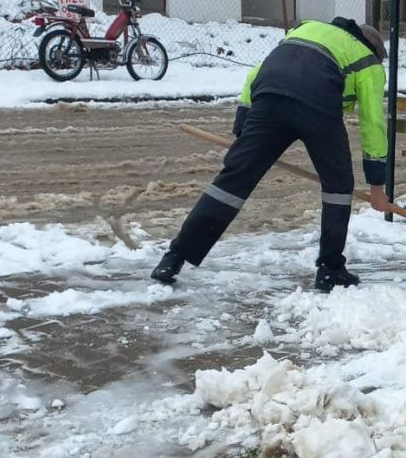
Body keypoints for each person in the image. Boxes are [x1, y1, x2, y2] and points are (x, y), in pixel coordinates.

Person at [151, 16, 389, 292]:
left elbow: (255, 74)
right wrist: (376, 186)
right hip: (319, 105)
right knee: (338, 187)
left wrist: (243, 128)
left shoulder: (307, 31)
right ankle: (330, 269)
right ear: (374, 51)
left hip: (268, 97)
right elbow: (373, 123)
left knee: (231, 183)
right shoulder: (367, 60)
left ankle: (175, 257)